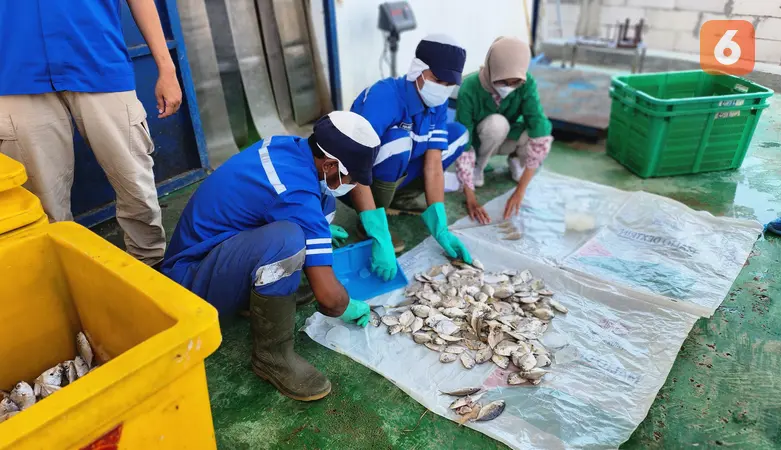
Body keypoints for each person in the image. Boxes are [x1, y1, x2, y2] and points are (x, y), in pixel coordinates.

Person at [161, 112, 381, 402]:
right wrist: (345, 303)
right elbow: (329, 300)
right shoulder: (297, 193)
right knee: (287, 239)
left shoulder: (288, 147)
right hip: (188, 286)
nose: (350, 185)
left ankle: (263, 296)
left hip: (216, 253)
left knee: (317, 210)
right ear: (330, 164)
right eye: (349, 177)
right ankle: (272, 356)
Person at [0, 0, 182, 267]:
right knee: (43, 200)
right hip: (15, 72)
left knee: (134, 180)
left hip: (100, 60)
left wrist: (166, 68)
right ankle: (65, 277)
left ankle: (152, 266)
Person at [346, 34, 473, 281]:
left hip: (396, 172)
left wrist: (441, 227)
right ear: (419, 70)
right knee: (399, 141)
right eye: (439, 80)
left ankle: (400, 198)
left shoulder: (436, 103)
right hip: (355, 181)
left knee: (458, 134)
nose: (444, 88)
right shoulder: (384, 97)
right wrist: (378, 234)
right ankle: (371, 221)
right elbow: (354, 162)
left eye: (450, 84)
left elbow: (434, 164)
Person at [454, 36, 553, 224]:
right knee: (497, 124)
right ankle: (478, 167)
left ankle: (515, 160)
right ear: (491, 69)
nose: (509, 88)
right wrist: (471, 198)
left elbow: (539, 129)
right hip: (482, 140)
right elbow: (463, 141)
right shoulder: (470, 87)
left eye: (515, 82)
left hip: (508, 139)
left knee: (533, 132)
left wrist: (519, 192)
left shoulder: (526, 84)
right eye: (503, 82)